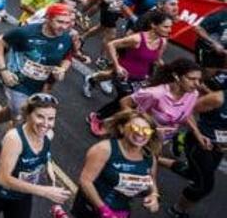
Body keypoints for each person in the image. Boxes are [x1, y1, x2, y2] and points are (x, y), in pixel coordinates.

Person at [0, 4, 74, 150]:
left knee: (13, 110)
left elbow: (67, 56)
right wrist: (3, 71)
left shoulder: (66, 38)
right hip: (18, 82)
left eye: (67, 23)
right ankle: (7, 153)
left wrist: (62, 69)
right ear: (47, 18)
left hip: (42, 85)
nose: (63, 26)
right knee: (22, 119)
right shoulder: (26, 32)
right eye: (59, 22)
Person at [86, 11, 172, 133]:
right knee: (124, 99)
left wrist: (169, 73)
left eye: (170, 27)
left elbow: (157, 60)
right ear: (153, 25)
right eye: (166, 26)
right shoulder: (137, 39)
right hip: (124, 75)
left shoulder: (163, 42)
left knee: (132, 103)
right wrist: (117, 66)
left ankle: (109, 119)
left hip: (141, 77)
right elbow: (111, 45)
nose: (169, 30)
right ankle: (97, 117)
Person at [72, 110, 160, 218]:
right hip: (91, 210)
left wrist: (154, 195)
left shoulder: (149, 157)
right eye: (135, 128)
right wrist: (103, 209)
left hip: (121, 212)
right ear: (121, 128)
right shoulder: (104, 149)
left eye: (146, 130)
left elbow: (151, 181)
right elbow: (85, 181)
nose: (140, 133)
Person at [119, 58, 203, 172]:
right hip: (138, 135)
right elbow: (125, 102)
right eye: (192, 79)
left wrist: (198, 134)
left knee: (144, 166)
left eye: (199, 80)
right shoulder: (156, 94)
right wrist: (138, 125)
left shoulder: (193, 94)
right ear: (176, 76)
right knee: (127, 166)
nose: (197, 84)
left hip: (159, 140)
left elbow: (186, 113)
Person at [169, 85, 227, 218]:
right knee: (204, 185)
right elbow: (186, 111)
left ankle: (155, 159)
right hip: (198, 143)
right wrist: (198, 135)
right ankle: (177, 210)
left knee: (192, 173)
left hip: (218, 147)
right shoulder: (218, 98)